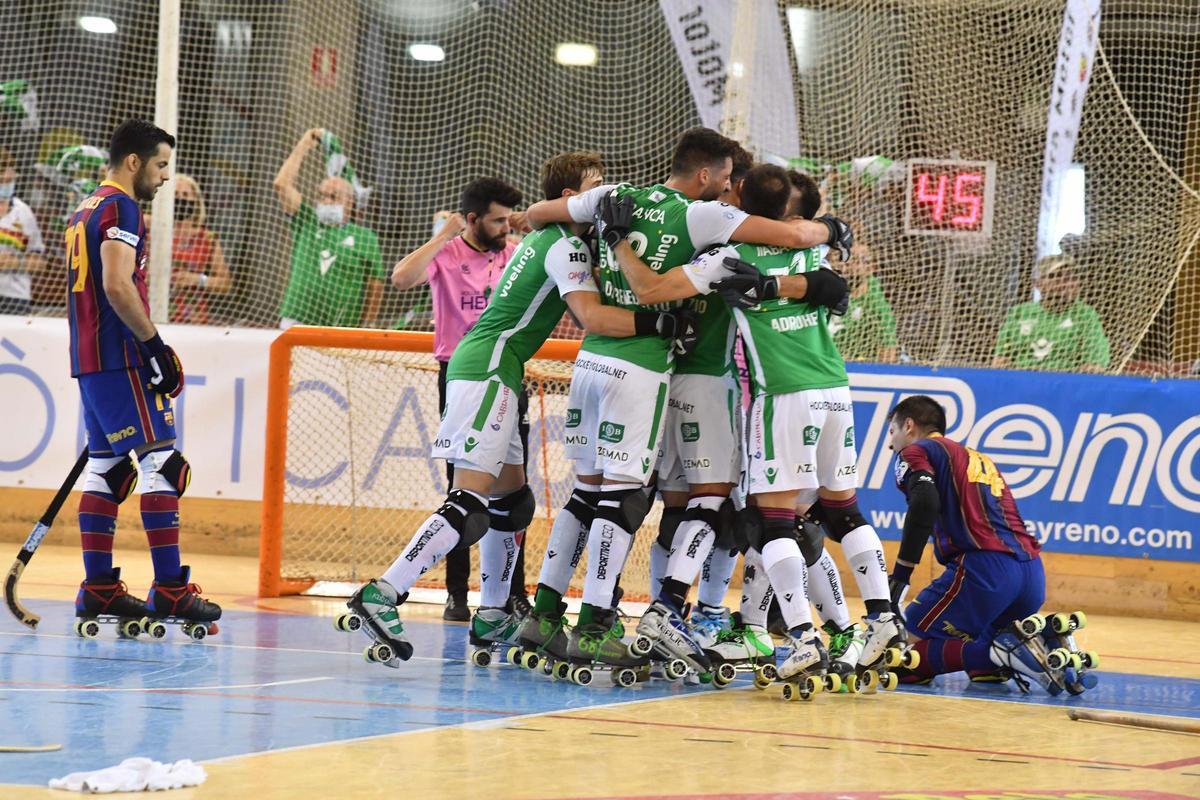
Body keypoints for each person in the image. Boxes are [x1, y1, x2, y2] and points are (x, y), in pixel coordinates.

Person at [522, 128, 853, 676]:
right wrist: (831, 230)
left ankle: (552, 612)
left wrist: (602, 237)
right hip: (683, 375)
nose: (727, 189)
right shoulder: (712, 227)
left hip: (601, 360)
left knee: (611, 496)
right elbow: (794, 241)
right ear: (710, 177)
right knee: (713, 504)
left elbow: (537, 212)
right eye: (724, 178)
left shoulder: (617, 196)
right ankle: (653, 615)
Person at [343, 152, 693, 666]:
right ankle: (385, 592)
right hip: (488, 368)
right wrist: (661, 325)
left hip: (494, 366)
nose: (606, 193)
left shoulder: (545, 239)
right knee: (468, 504)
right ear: (572, 197)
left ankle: (493, 613)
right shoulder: (565, 247)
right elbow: (591, 316)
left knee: (513, 503)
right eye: (596, 186)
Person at [603, 164, 877, 688]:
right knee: (762, 513)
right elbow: (825, 273)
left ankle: (729, 618)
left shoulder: (716, 243)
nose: (727, 192)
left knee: (707, 508)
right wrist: (832, 232)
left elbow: (823, 275)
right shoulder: (764, 247)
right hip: (734, 387)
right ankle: (792, 626)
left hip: (684, 379)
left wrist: (618, 242)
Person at [66, 119, 220, 632]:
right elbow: (116, 283)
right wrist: (154, 346)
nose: (163, 177)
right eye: (160, 165)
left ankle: (99, 588)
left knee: (109, 467)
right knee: (164, 464)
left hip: (89, 359)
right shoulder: (119, 206)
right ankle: (172, 591)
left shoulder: (85, 206)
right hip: (121, 355)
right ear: (133, 162)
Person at [885, 396, 1088, 695]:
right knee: (981, 667)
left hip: (985, 572)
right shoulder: (977, 457)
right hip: (1031, 575)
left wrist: (901, 574)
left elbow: (925, 502)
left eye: (892, 431)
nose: (891, 444)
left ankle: (1000, 653)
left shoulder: (916, 451)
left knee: (895, 656)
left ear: (909, 425)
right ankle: (1033, 642)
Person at [391, 176, 525, 621]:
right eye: (497, 220)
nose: (506, 227)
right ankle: (456, 593)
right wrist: (442, 235)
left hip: (506, 373)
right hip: (462, 375)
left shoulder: (513, 254)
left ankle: (511, 594)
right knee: (462, 489)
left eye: (509, 219)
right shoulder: (447, 253)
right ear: (471, 220)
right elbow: (402, 278)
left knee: (512, 493)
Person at [273, 128, 385, 329]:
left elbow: (375, 284)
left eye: (332, 196)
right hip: (296, 322)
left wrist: (368, 326)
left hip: (340, 330)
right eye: (321, 195)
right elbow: (281, 184)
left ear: (350, 202)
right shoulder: (306, 220)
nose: (325, 201)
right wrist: (304, 146)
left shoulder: (366, 237)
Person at [992, 254, 1110, 373]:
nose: (1065, 283)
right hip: (1021, 383)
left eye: (1070, 277)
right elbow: (1001, 359)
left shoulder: (1085, 314)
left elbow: (1094, 363)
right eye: (1056, 276)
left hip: (1065, 385)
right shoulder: (1019, 312)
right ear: (1037, 284)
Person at [168, 174, 231, 324]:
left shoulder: (207, 238)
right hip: (151, 312)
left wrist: (198, 279)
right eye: (175, 194)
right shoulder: (151, 230)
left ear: (195, 201)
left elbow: (225, 284)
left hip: (192, 319)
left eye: (185, 195)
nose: (180, 199)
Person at [827, 237, 898, 363]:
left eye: (856, 260)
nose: (847, 264)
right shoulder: (821, 286)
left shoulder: (874, 301)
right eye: (841, 258)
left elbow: (888, 350)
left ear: (871, 267)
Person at [0, 145, 46, 315]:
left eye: (11, 179)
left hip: (16, 299)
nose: (9, 182)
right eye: (3, 180)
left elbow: (40, 262)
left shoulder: (23, 211)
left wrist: (16, 263)